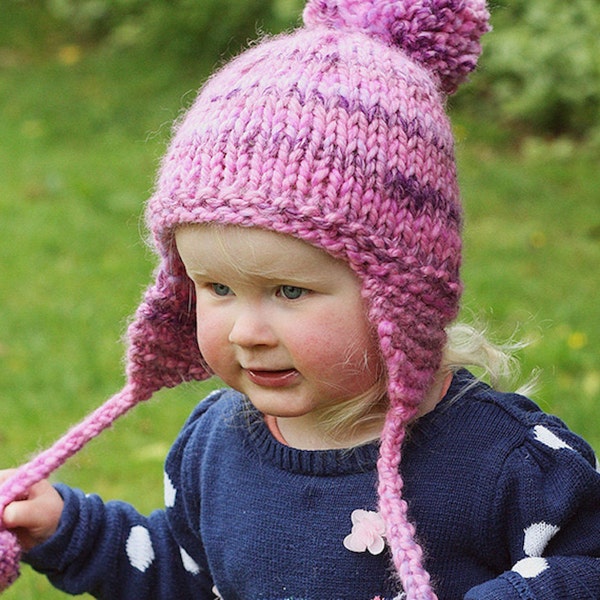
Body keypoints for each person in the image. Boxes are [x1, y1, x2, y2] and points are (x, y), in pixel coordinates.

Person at [1, 0, 599, 598]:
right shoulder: (213, 447)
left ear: (400, 294)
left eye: (289, 291)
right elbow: (187, 573)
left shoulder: (507, 461)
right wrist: (70, 530)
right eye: (217, 288)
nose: (246, 332)